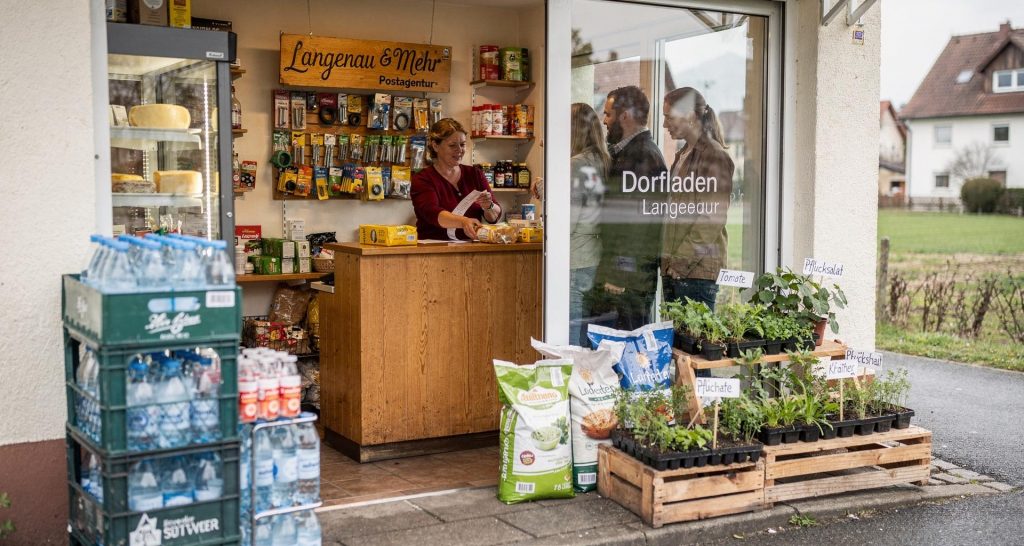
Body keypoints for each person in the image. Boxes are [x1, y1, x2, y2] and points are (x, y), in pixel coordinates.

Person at [596, 86, 668, 331]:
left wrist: (620, 273)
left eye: (608, 114)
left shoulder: (643, 156)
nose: (604, 121)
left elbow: (638, 223)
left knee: (629, 342)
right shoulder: (629, 153)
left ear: (624, 115)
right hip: (629, 274)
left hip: (631, 278)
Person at [660, 87, 734, 310]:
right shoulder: (683, 154)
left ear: (690, 116)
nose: (664, 124)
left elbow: (711, 218)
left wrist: (681, 262)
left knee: (693, 333)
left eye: (669, 117)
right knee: (676, 332)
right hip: (676, 268)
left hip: (695, 272)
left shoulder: (713, 155)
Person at [411, 118, 501, 240]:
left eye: (462, 144)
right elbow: (433, 213)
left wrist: (489, 206)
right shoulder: (423, 179)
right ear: (435, 146)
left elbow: (494, 217)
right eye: (452, 145)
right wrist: (463, 222)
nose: (459, 150)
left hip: (472, 248)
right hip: (434, 248)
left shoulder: (475, 174)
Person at [565, 103, 609, 345]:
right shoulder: (604, 160)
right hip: (596, 255)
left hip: (576, 256)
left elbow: (569, 218)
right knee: (587, 333)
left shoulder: (576, 164)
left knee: (570, 335)